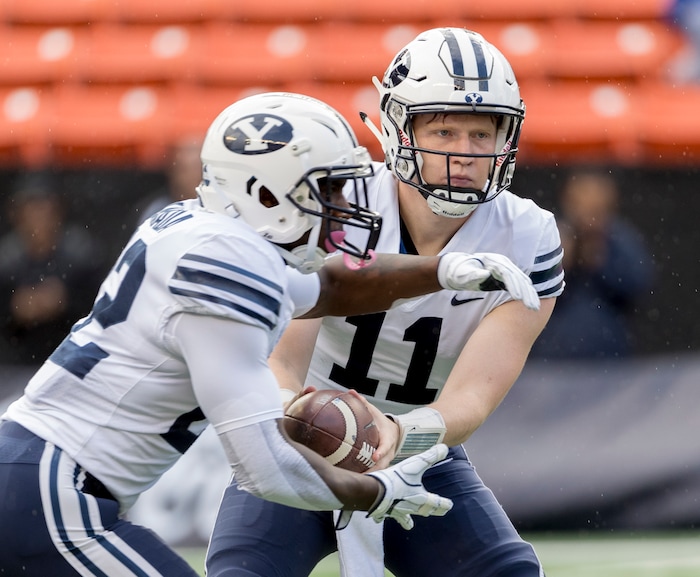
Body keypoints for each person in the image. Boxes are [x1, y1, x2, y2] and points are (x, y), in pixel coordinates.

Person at [0, 91, 541, 576]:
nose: (344, 207)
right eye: (326, 188)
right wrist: (376, 490)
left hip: (37, 476)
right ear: (262, 191)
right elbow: (266, 467)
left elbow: (330, 290)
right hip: (51, 488)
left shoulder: (207, 233)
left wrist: (440, 271)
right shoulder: (227, 270)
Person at [206, 29, 565, 577]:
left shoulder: (530, 236)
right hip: (302, 434)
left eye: (480, 134)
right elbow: (282, 360)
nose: (464, 154)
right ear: (398, 128)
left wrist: (397, 435)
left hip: (419, 447)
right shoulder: (341, 203)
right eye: (444, 129)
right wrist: (300, 416)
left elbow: (472, 398)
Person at [530, 168, 652, 360]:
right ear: (568, 200)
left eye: (596, 206)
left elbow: (639, 286)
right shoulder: (551, 235)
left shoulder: (620, 239)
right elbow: (526, 291)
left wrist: (601, 260)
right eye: (581, 202)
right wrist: (559, 264)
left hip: (610, 358)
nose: (588, 213)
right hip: (552, 359)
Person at [0, 173, 104, 366]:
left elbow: (102, 308)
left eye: (45, 208)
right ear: (17, 214)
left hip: (71, 361)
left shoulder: (80, 253)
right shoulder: (7, 259)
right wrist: (16, 308)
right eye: (31, 209)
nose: (38, 217)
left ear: (58, 211)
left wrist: (65, 301)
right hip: (15, 364)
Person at [134, 135, 204, 226]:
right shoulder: (157, 212)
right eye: (184, 169)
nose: (195, 176)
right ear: (172, 171)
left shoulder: (220, 209)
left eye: (199, 169)